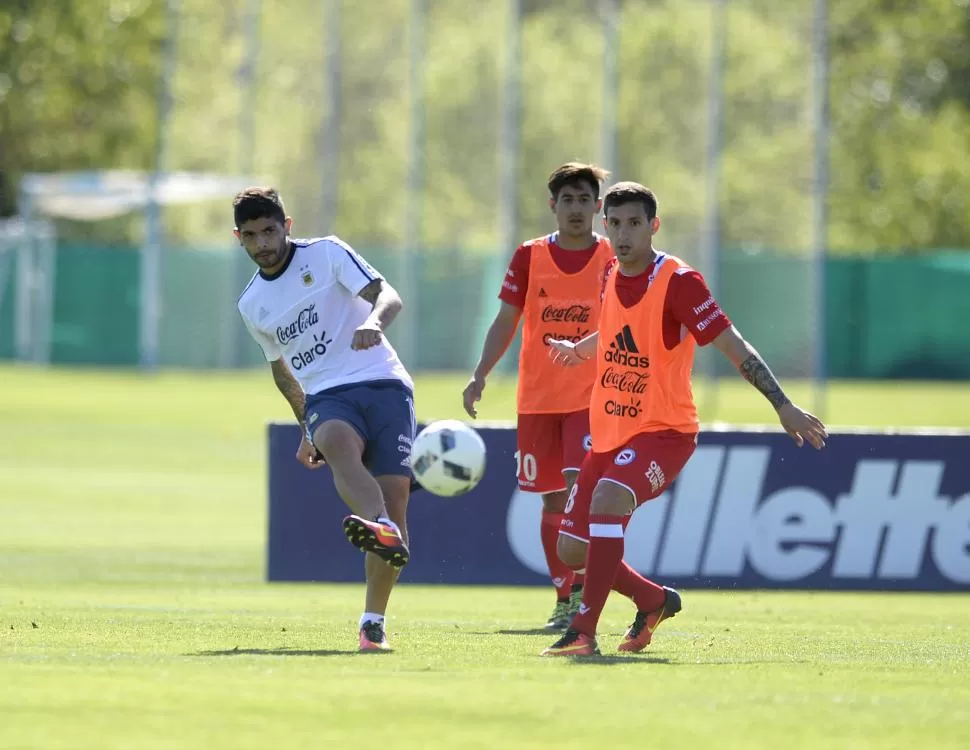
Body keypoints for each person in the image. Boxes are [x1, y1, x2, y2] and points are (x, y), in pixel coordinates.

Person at [540, 181, 828, 656]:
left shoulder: (678, 282)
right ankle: (654, 601)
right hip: (610, 432)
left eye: (635, 223)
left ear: (653, 226)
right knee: (573, 549)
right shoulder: (610, 271)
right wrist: (580, 348)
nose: (624, 233)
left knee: (609, 501)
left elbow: (734, 345)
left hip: (664, 432)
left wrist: (782, 404)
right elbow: (614, 333)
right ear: (604, 224)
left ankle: (583, 632)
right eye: (615, 223)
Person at [234, 187, 416, 653]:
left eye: (270, 231)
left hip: (384, 380)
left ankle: (373, 621)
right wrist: (305, 428)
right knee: (334, 439)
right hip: (327, 394)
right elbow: (282, 369)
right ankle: (379, 525)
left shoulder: (328, 253)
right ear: (239, 238)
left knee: (395, 498)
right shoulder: (252, 304)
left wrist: (374, 322)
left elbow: (388, 296)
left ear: (287, 225)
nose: (263, 244)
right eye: (251, 235)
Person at [463, 162, 615, 630]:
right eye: (566, 200)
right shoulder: (530, 256)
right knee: (551, 501)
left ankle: (587, 599)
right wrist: (481, 373)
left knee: (575, 492)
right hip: (537, 399)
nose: (575, 208)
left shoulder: (612, 256)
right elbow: (507, 321)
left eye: (583, 199)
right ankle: (565, 598)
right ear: (553, 206)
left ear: (597, 207)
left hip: (590, 397)